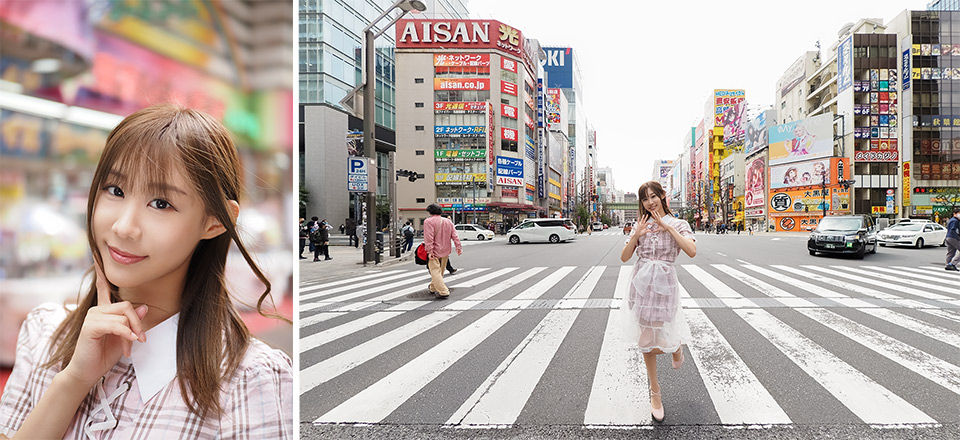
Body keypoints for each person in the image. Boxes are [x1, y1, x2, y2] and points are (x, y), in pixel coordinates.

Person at [0, 105, 292, 438]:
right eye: (115, 190)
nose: (124, 227)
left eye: (161, 204)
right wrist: (73, 381)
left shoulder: (248, 381)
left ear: (214, 221)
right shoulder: (45, 335)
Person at [620, 180, 696, 423]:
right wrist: (637, 236)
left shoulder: (679, 224)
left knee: (661, 335)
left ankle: (675, 347)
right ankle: (655, 393)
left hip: (665, 284)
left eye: (653, 196)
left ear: (663, 196)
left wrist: (666, 226)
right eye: (645, 198)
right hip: (640, 283)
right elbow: (624, 257)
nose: (650, 201)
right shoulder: (640, 225)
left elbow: (691, 251)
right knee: (645, 340)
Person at [423, 204, 462, 299]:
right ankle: (433, 287)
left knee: (435, 271)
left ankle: (443, 291)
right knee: (441, 271)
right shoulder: (448, 221)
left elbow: (429, 238)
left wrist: (430, 251)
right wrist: (458, 246)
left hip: (435, 250)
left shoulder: (428, 221)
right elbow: (454, 235)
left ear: (430, 212)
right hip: (446, 249)